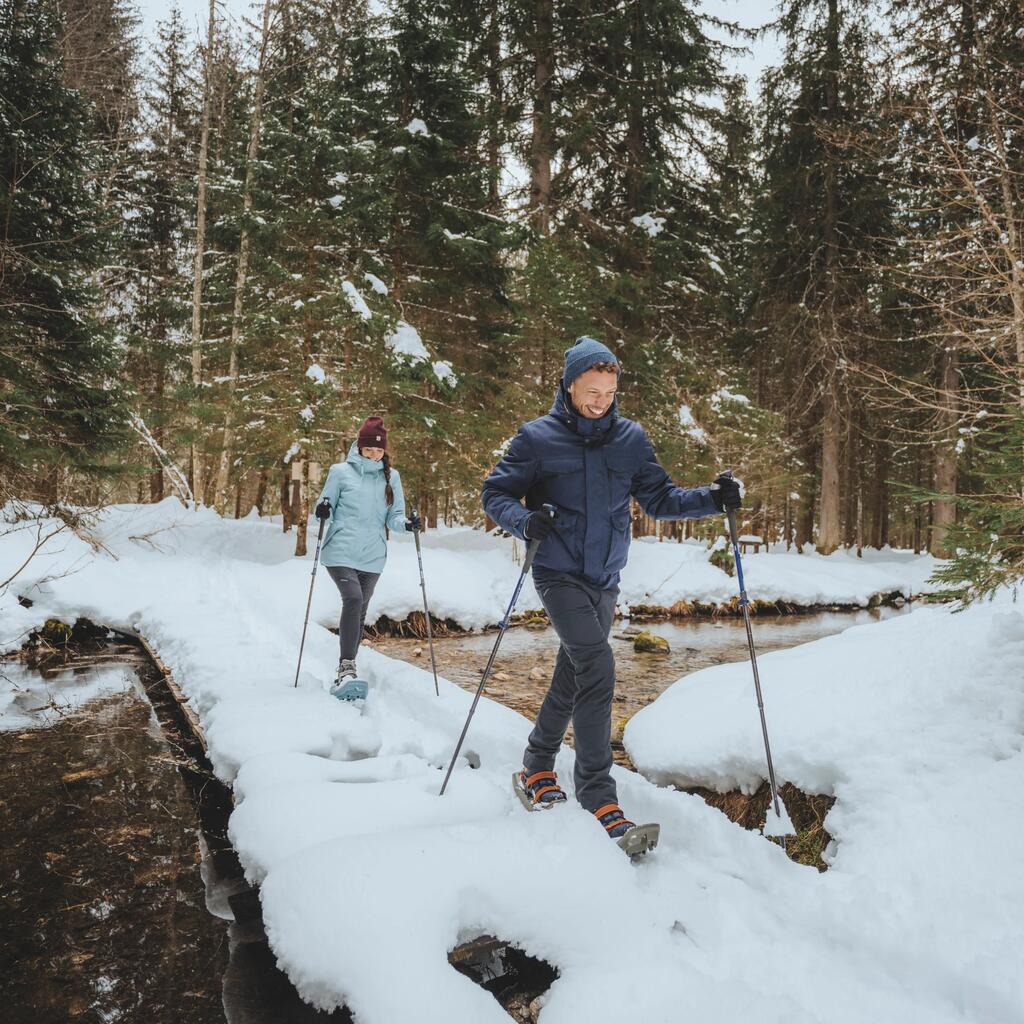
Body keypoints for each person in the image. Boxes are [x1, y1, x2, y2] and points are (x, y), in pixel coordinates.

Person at [482, 337, 742, 841]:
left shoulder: (630, 440)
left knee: (575, 674)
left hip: (605, 578)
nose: (600, 400)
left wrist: (713, 499)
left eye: (608, 391)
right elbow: (496, 492)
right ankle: (600, 798)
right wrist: (523, 520)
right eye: (591, 390)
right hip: (556, 572)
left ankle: (537, 766)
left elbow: (662, 498)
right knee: (598, 665)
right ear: (570, 384)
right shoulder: (537, 438)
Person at [314, 416, 421, 698]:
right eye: (369, 449)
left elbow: (394, 516)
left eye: (378, 450)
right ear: (359, 447)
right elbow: (326, 504)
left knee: (359, 611)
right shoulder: (339, 472)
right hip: (340, 550)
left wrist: (408, 525)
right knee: (353, 598)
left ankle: (347, 671)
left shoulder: (391, 477)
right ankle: (345, 667)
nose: (374, 454)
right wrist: (323, 509)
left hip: (372, 554)